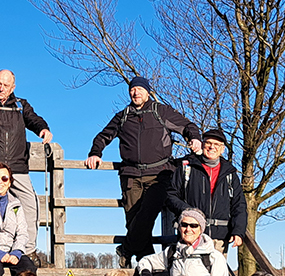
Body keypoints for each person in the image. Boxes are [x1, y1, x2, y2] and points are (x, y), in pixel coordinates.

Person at [85, 75, 199, 264]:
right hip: (131, 174)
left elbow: (187, 126)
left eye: (139, 89)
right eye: (132, 89)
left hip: (159, 174)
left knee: (146, 214)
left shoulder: (160, 111)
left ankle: (126, 249)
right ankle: (147, 269)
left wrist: (194, 138)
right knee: (134, 221)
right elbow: (103, 136)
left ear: (147, 92)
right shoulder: (123, 116)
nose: (135, 92)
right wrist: (95, 153)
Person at [0, 69, 53, 257]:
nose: (1, 88)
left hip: (17, 168)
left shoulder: (20, 106)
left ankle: (28, 251)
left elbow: (34, 120)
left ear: (13, 87)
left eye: (5, 85)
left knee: (30, 206)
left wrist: (43, 129)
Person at [166, 128, 247, 253]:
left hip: (220, 238)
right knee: (189, 272)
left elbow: (239, 205)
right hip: (190, 234)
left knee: (216, 273)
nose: (212, 147)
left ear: (222, 149)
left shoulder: (230, 174)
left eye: (217, 144)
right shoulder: (186, 168)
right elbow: (171, 196)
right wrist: (189, 211)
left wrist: (238, 231)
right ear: (203, 145)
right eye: (208, 143)